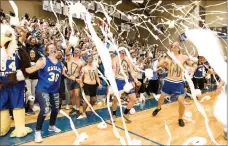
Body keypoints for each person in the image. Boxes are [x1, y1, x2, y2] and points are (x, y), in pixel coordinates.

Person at [25, 44, 80, 143]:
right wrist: (24, 70)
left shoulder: (60, 64)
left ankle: (52, 126)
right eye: (50, 48)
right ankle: (37, 131)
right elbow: (33, 69)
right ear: (47, 51)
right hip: (43, 89)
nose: (53, 49)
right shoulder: (43, 60)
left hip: (54, 90)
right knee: (45, 109)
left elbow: (66, 74)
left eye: (54, 48)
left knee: (55, 109)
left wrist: (76, 79)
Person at [152, 42, 197, 127]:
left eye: (177, 45)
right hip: (169, 81)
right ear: (171, 48)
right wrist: (162, 61)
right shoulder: (168, 58)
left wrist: (193, 69)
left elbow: (194, 63)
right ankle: (158, 108)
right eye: (174, 45)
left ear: (179, 48)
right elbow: (158, 64)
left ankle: (180, 118)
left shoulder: (184, 57)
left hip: (179, 83)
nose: (176, 46)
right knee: (161, 97)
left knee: (181, 101)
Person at [111, 47, 141, 123]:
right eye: (122, 51)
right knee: (115, 99)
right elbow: (113, 69)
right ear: (119, 51)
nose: (123, 52)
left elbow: (131, 71)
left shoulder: (128, 59)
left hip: (126, 81)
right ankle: (114, 115)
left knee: (134, 99)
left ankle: (125, 113)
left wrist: (136, 80)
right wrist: (112, 79)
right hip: (118, 80)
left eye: (124, 51)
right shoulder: (115, 59)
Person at [66, 45, 84, 118]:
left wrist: (81, 81)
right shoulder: (70, 58)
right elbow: (67, 51)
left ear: (80, 53)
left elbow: (82, 73)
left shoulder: (81, 62)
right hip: (69, 78)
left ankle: (78, 109)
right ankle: (74, 108)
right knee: (71, 95)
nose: (76, 51)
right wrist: (71, 44)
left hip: (76, 79)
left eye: (77, 51)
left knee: (77, 95)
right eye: (75, 50)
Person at [25, 49, 39, 115]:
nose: (32, 53)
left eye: (33, 52)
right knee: (28, 93)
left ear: (35, 54)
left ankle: (30, 108)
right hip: (28, 78)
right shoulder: (27, 60)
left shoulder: (38, 61)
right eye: (31, 52)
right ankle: (24, 107)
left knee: (33, 93)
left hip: (35, 78)